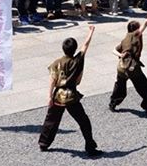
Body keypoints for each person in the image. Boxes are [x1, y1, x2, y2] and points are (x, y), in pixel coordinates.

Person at [39, 26, 102, 157]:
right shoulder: (77, 60)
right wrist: (90, 32)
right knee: (83, 121)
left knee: (51, 120)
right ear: (74, 49)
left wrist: (49, 96)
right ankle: (90, 147)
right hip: (71, 96)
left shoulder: (57, 62)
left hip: (57, 95)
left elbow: (52, 80)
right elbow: (85, 46)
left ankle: (44, 143)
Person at [109, 10, 147, 116]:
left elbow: (114, 49)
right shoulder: (136, 35)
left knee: (120, 87)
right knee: (145, 88)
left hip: (121, 67)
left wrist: (120, 55)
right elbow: (146, 24)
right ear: (136, 29)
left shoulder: (125, 39)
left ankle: (113, 103)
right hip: (132, 68)